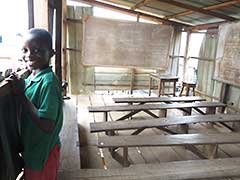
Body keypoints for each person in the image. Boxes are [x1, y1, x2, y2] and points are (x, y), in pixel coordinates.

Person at [7, 28, 63, 180]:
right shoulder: (33, 76)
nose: (29, 55)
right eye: (25, 50)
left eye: (37, 50)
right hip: (34, 149)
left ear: (51, 54)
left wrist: (20, 94)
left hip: (43, 153)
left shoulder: (49, 83)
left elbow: (47, 125)